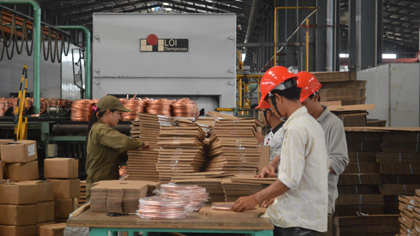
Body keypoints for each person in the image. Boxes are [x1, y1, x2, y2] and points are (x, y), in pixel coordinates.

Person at [231, 66, 329, 236]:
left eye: (269, 105)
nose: (272, 111)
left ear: (277, 98)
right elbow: (306, 171)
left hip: (296, 223)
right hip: (308, 219)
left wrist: (255, 198)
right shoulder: (311, 124)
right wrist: (278, 193)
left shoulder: (296, 129)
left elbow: (289, 180)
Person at [297, 71, 349, 236]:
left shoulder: (333, 125)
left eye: (302, 102)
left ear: (315, 97)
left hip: (319, 206)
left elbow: (339, 162)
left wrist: (308, 163)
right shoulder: (300, 123)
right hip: (296, 203)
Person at [85, 95, 152, 199]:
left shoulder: (100, 129)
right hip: (99, 188)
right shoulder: (100, 129)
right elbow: (124, 142)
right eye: (118, 113)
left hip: (105, 186)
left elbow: (119, 151)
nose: (120, 118)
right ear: (108, 112)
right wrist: (142, 144)